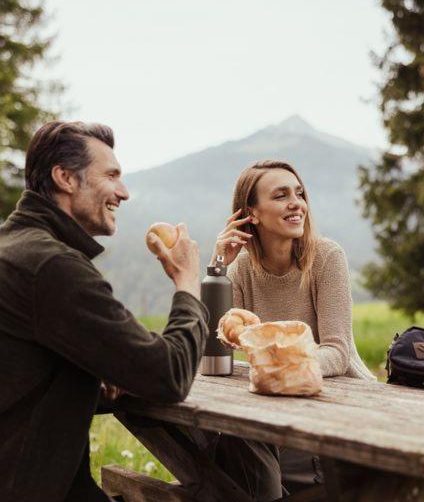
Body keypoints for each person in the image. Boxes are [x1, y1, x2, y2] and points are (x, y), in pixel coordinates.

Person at [0, 121, 209, 502]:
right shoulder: (51, 266)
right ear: (65, 178)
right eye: (111, 175)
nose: (124, 193)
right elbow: (169, 375)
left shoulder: (13, 248)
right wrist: (187, 284)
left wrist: (86, 373)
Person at [211, 159, 376, 493]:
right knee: (222, 454)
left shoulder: (327, 257)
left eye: (299, 194)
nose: (296, 203)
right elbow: (216, 351)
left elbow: (337, 352)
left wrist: (277, 371)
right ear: (251, 213)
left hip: (343, 409)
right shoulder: (240, 269)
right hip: (277, 411)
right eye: (281, 195)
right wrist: (217, 268)